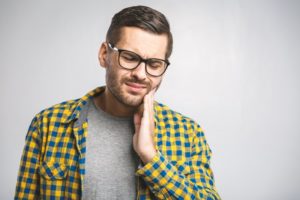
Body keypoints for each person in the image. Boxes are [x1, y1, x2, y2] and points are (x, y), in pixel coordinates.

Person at [15, 5, 220, 200]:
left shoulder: (187, 133)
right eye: (130, 57)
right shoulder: (48, 124)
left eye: (154, 64)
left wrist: (151, 157)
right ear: (105, 55)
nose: (141, 74)